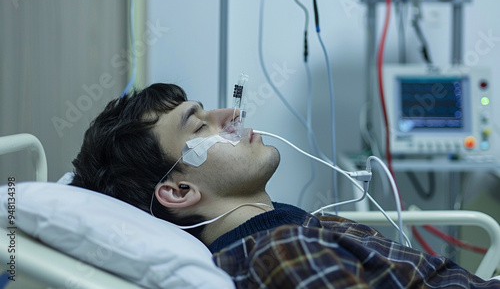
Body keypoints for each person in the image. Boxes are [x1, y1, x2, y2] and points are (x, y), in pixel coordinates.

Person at [71, 83, 500, 288]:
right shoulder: (280, 253)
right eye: (200, 124)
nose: (229, 115)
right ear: (179, 192)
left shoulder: (299, 227)